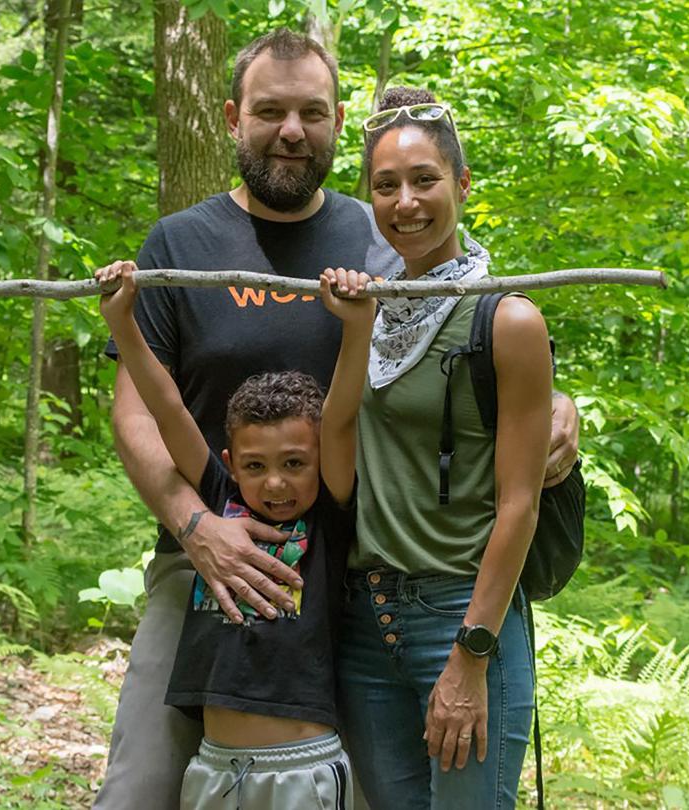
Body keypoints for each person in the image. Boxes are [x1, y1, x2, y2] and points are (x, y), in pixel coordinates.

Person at [91, 29, 579, 810]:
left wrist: (561, 403)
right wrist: (196, 529)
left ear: (337, 119)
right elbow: (136, 418)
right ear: (230, 117)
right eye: (270, 110)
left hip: (356, 575)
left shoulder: (385, 238)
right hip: (205, 559)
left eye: (311, 112)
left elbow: (481, 336)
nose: (291, 130)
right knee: (141, 788)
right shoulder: (179, 244)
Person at [334, 86, 551, 809]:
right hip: (367, 622)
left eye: (425, 180)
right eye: (386, 186)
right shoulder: (370, 311)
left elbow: (518, 504)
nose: (406, 202)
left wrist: (471, 657)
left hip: (461, 615)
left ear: (461, 184)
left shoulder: (507, 318)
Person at [96, 260, 374, 809]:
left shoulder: (328, 515)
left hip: (303, 773)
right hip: (215, 770)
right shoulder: (218, 496)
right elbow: (167, 406)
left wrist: (358, 328)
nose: (275, 482)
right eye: (256, 466)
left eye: (296, 463)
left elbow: (341, 416)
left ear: (320, 462)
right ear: (231, 462)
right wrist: (124, 323)